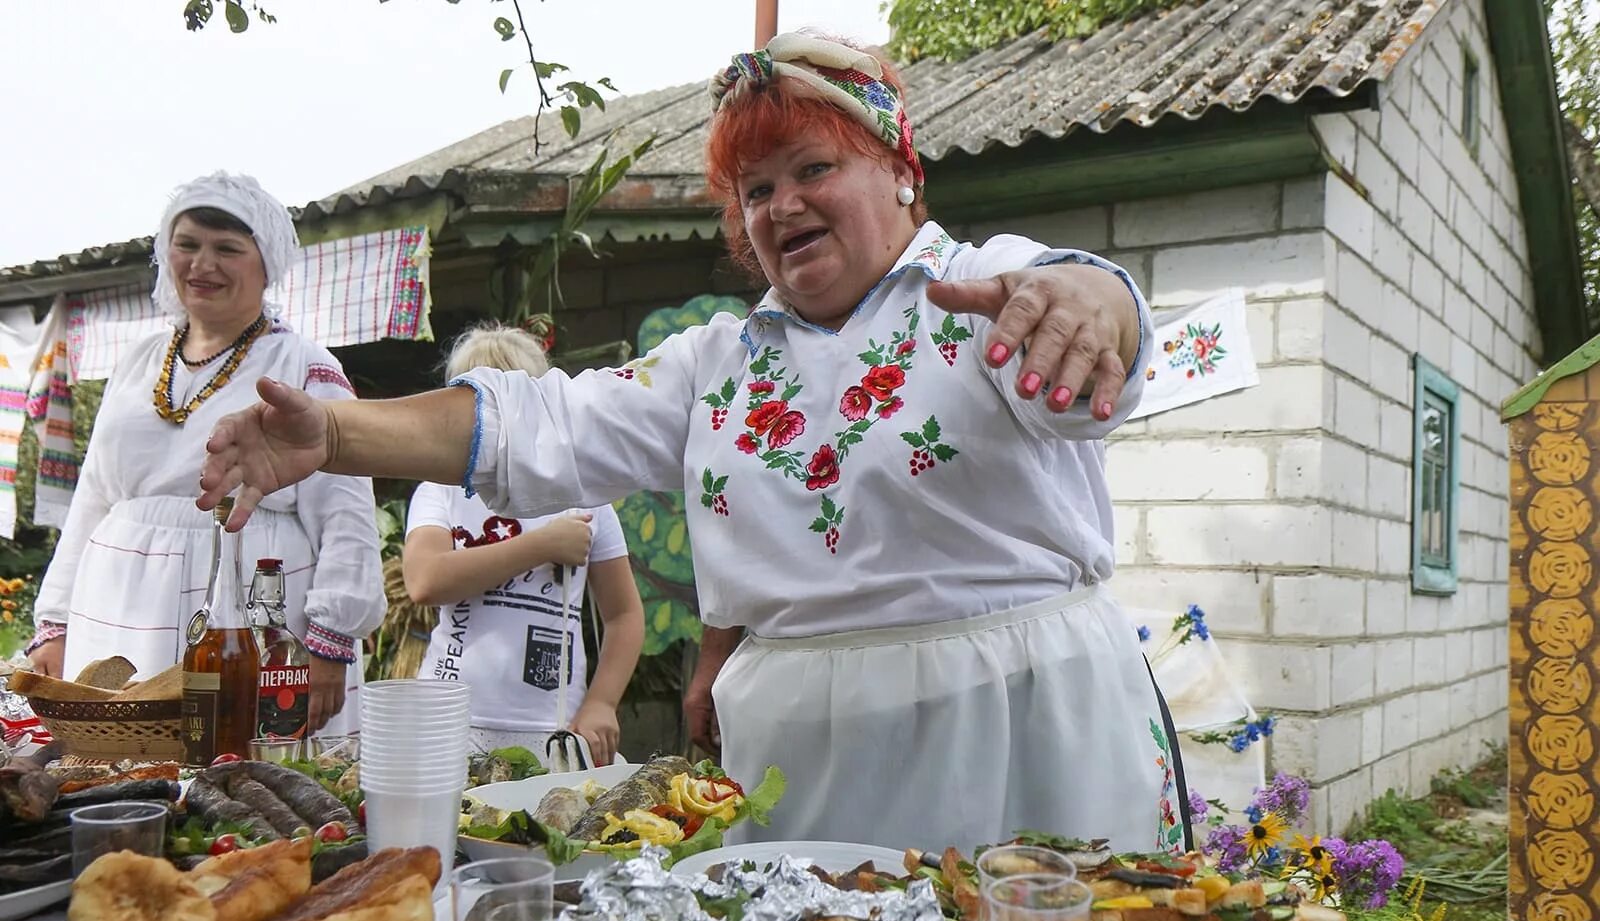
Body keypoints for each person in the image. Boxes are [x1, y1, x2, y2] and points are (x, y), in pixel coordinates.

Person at [198, 33, 1193, 853]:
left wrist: (1094, 303)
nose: (781, 205)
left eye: (814, 169)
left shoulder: (990, 284)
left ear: (900, 172)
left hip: (1011, 731)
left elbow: (1088, 299)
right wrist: (333, 431)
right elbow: (541, 422)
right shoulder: (713, 361)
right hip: (803, 763)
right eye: (754, 190)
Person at [31, 172, 384, 735]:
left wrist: (331, 638)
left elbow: (346, 511)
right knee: (124, 765)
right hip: (120, 604)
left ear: (266, 263)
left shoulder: (303, 367)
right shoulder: (139, 361)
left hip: (248, 605)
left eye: (228, 249)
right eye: (188, 244)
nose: (203, 265)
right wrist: (55, 621)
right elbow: (95, 493)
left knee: (245, 770)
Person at [403, 325, 644, 766]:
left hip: (553, 731)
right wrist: (540, 545)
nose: (492, 420)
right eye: (475, 406)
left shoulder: (583, 494)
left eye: (510, 403)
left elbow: (624, 615)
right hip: (447, 724)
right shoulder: (441, 490)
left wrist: (602, 703)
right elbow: (425, 580)